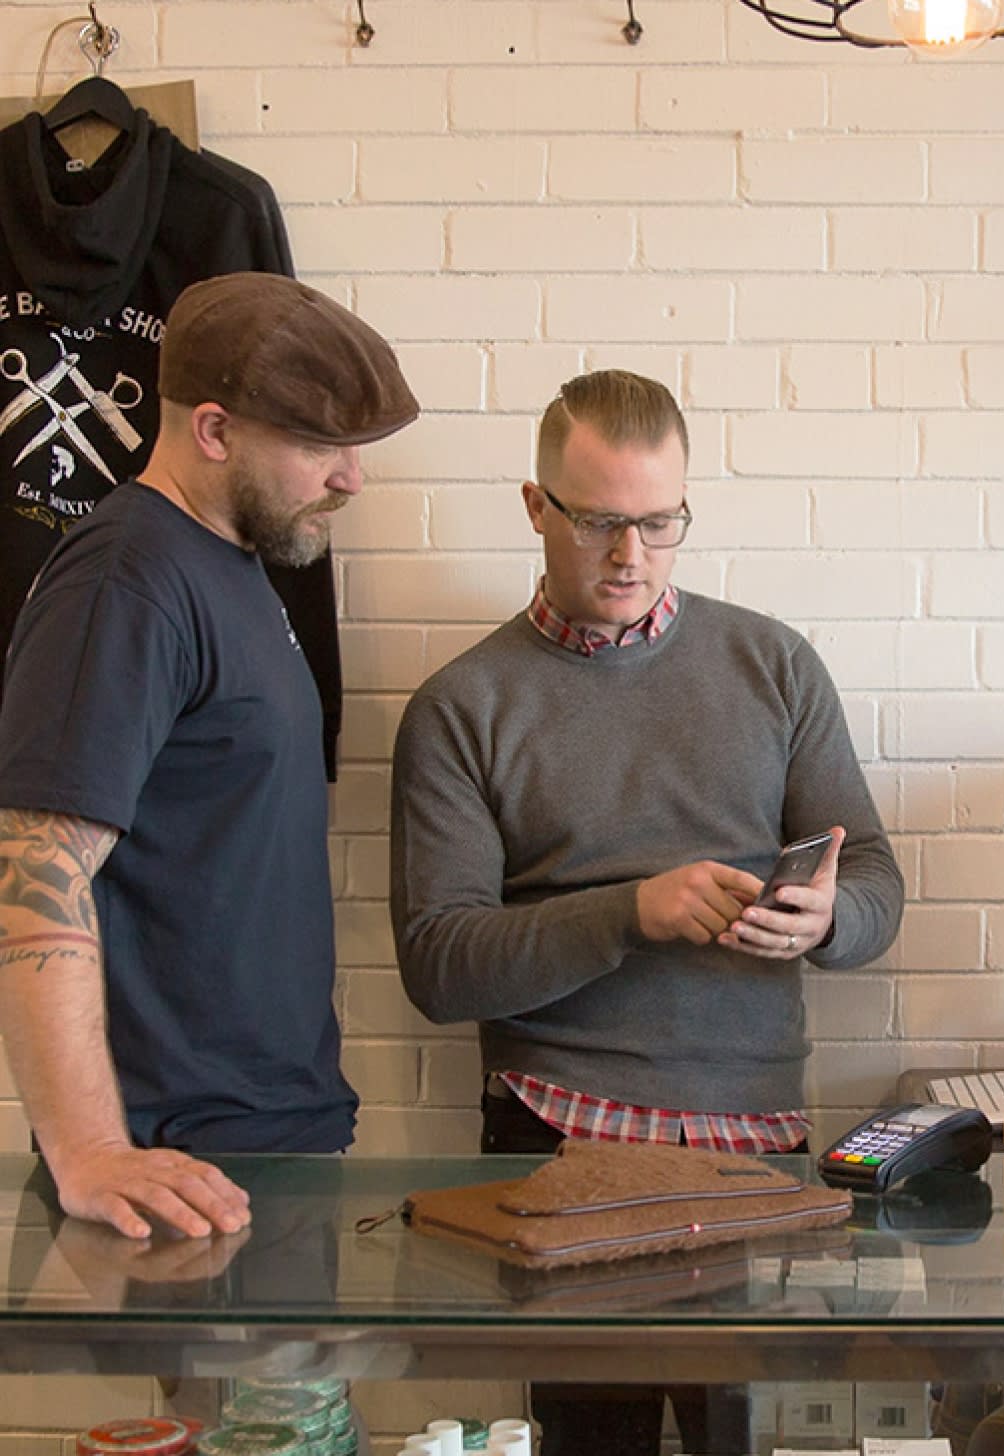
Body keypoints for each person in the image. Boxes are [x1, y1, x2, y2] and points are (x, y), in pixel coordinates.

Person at [390, 368, 903, 1456]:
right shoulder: (461, 707)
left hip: (757, 1140)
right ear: (536, 507)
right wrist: (628, 911)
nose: (630, 556)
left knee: (749, 1442)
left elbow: (876, 884)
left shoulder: (772, 664)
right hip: (558, 1133)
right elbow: (439, 967)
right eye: (599, 523)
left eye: (659, 522)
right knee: (590, 1441)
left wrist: (826, 920)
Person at [0, 271, 419, 1242]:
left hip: (269, 1125)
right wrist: (90, 1147)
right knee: (249, 1407)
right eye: (319, 444)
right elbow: (33, 874)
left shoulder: (227, 562)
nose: (351, 477)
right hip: (193, 1158)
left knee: (301, 1404)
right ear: (216, 432)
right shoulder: (126, 581)